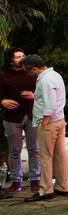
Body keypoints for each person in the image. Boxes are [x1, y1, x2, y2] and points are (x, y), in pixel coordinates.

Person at [22, 55, 68, 202]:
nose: (29, 74)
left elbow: (50, 103)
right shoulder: (55, 75)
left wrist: (45, 120)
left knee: (45, 157)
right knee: (59, 155)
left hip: (49, 123)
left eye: (28, 71)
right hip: (60, 120)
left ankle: (45, 190)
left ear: (35, 68)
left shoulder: (45, 80)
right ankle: (63, 187)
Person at [1, 48, 40, 193]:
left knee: (34, 149)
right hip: (12, 118)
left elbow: (43, 92)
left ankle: (35, 180)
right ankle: (16, 182)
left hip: (31, 115)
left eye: (23, 56)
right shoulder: (4, 77)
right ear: (12, 61)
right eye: (18, 57)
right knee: (14, 151)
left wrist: (35, 95)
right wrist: (3, 101)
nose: (22, 59)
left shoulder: (32, 74)